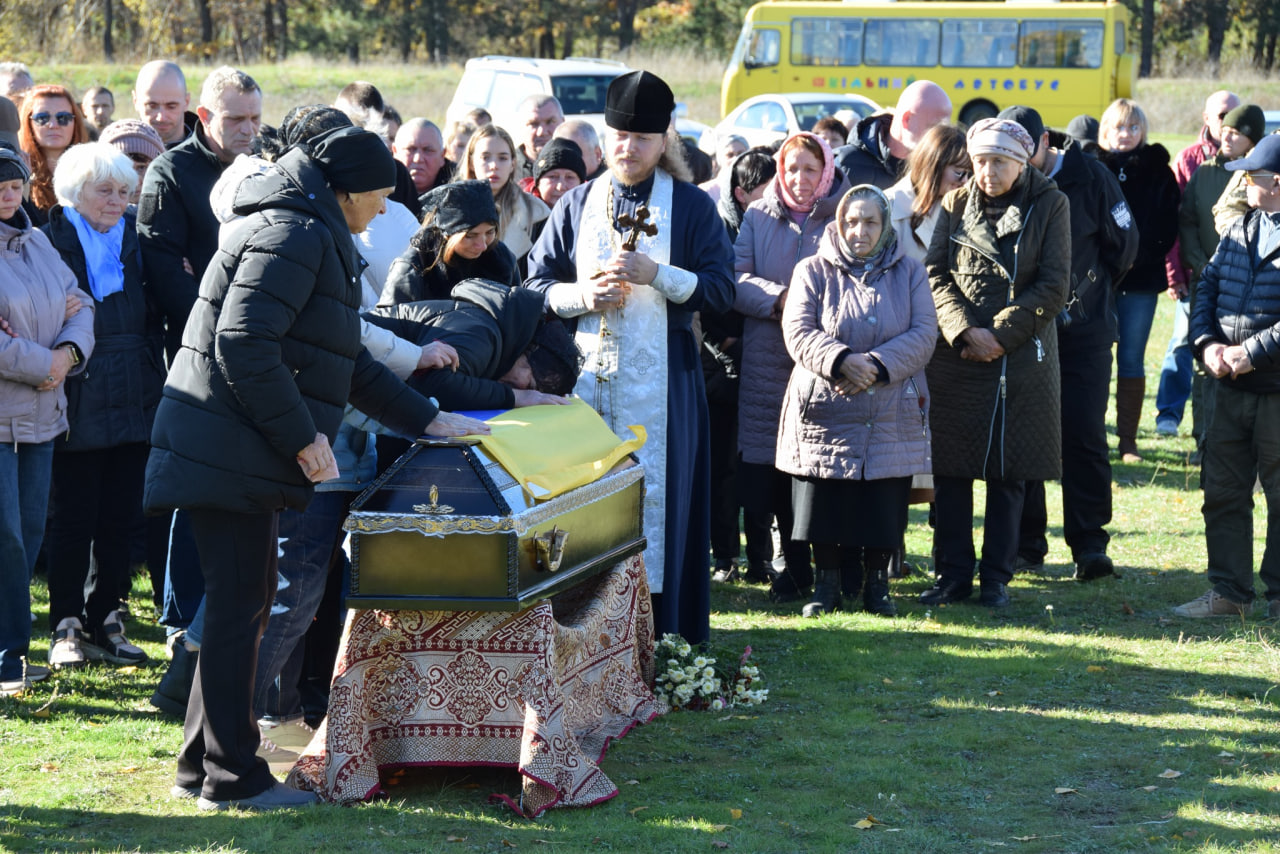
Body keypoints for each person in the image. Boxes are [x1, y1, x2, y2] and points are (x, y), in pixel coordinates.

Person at [144, 125, 489, 811]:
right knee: (243, 608)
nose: (386, 212)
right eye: (382, 198)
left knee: (242, 606)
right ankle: (232, 779)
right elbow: (243, 344)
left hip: (235, 444)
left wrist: (424, 418)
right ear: (347, 191)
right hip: (231, 446)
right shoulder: (294, 234)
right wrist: (305, 439)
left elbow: (343, 359)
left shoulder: (308, 228)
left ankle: (200, 769)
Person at [526, 70, 735, 645]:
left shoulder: (691, 207)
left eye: (642, 138)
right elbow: (534, 287)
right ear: (604, 138)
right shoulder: (576, 203)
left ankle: (662, 641)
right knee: (583, 516)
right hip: (583, 388)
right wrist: (581, 296)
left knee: (661, 516)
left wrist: (658, 275)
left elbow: (722, 292)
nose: (629, 148)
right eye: (620, 136)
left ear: (664, 139)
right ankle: (580, 645)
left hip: (667, 389)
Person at [138, 66, 262, 712]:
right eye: (235, 119)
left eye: (254, 119)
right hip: (189, 359)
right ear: (204, 119)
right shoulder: (170, 175)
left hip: (252, 361)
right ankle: (179, 621)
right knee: (193, 497)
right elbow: (165, 268)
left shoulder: (265, 170)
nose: (247, 131)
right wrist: (221, 312)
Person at [918, 118, 1070, 608]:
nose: (986, 172)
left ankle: (996, 578)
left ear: (1022, 162)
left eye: (998, 162)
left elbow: (1053, 284)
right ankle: (953, 574)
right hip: (959, 354)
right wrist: (964, 330)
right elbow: (935, 272)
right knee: (953, 471)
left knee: (1009, 470)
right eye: (979, 162)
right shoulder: (953, 203)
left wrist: (1001, 335)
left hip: (1020, 356)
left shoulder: (1051, 204)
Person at [777, 184, 935, 617]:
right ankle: (825, 586)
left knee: (882, 500)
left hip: (889, 404)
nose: (859, 231)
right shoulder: (812, 269)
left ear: (885, 226)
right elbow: (798, 329)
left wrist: (876, 366)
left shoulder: (910, 272)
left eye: (870, 222)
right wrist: (841, 360)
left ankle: (876, 587)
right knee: (824, 497)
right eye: (850, 221)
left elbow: (924, 334)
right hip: (825, 405)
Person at [1000, 106, 1139, 584]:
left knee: (1082, 434)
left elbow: (1125, 246)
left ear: (1044, 144)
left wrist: (1085, 293)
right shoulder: (1007, 181)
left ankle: (1090, 544)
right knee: (1026, 435)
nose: (1013, 159)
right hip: (1028, 332)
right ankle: (1026, 545)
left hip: (1085, 331)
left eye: (1023, 150)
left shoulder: (1092, 177)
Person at [42, 143, 164, 668]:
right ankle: (65, 623)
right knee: (72, 516)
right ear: (75, 192)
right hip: (76, 390)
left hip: (136, 387)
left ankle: (107, 617)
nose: (117, 201)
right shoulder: (48, 243)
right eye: (105, 191)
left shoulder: (139, 240)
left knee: (120, 515)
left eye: (123, 191)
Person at [734, 132, 850, 603]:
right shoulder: (760, 214)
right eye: (792, 169)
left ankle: (834, 567)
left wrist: (810, 310)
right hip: (768, 356)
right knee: (775, 471)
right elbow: (735, 276)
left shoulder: (843, 212)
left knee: (820, 465)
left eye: (810, 169)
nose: (800, 180)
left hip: (823, 355)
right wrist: (778, 299)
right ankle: (792, 565)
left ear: (826, 171)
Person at [0, 145, 95, 697]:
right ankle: (7, 657)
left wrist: (65, 358)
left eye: (14, 184)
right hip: (7, 414)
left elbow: (79, 303)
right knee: (6, 537)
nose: (8, 194)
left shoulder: (37, 240)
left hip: (41, 413)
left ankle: (14, 653)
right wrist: (46, 364)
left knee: (30, 533)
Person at [1179, 134, 1280, 621]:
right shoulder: (1241, 228)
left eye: (1251, 174)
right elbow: (1207, 289)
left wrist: (1252, 352)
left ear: (1274, 182)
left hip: (1275, 391)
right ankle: (1229, 594)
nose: (1242, 179)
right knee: (1222, 492)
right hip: (1227, 387)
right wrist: (1208, 345)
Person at [1170, 104, 1265, 454]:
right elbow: (1192, 221)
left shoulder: (1266, 163)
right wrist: (1206, 265)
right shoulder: (1206, 173)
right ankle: (1204, 437)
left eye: (1236, 132)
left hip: (1260, 286)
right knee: (1206, 356)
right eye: (1224, 129)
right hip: (1211, 278)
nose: (1227, 135)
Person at [1155, 90, 1243, 440]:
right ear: (1207, 119)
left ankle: (1215, 425)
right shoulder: (1189, 160)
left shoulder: (1255, 160)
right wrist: (1176, 274)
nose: (1229, 123)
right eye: (1222, 115)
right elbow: (1177, 222)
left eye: (1236, 115)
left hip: (1239, 280)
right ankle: (1168, 414)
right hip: (1196, 275)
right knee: (1181, 343)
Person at [706, 148, 777, 584]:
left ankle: (762, 557)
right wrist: (728, 337)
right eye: (766, 193)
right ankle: (725, 554)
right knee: (724, 467)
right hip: (723, 365)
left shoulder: (776, 229)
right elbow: (712, 290)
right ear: (741, 193)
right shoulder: (719, 229)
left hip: (764, 358)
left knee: (761, 465)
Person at [1097, 98, 1180, 463]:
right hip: (1095, 280)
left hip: (1141, 281)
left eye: (1133, 127)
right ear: (1106, 130)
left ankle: (1127, 442)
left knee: (1131, 359)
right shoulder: (1090, 167)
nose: (1126, 134)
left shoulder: (1158, 170)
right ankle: (1091, 437)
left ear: (1143, 131)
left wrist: (1137, 258)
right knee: (1095, 359)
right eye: (1119, 127)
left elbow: (1167, 224)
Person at [380, 179, 522, 305]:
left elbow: (518, 316)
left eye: (490, 232)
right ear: (447, 234)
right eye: (470, 236)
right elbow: (390, 324)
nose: (482, 245)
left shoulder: (501, 258)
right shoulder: (414, 267)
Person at [459, 123, 549, 269]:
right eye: (485, 157)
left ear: (513, 164)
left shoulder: (537, 213)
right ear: (471, 162)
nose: (494, 165)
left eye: (502, 158)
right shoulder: (450, 208)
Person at [833, 80, 951, 189]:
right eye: (932, 127)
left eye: (944, 129)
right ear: (907, 120)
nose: (939, 137)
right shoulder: (846, 163)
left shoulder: (943, 168)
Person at [886, 124, 970, 264]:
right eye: (958, 172)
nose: (964, 181)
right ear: (933, 166)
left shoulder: (959, 208)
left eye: (968, 173)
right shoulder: (886, 207)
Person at [18, 84, 90, 223]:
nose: (53, 125)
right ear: (29, 122)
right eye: (42, 118)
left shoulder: (93, 170)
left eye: (63, 117)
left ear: (75, 123)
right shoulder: (17, 171)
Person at [98, 120, 164, 205]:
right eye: (124, 170)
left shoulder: (179, 210)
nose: (136, 182)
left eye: (141, 168)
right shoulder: (86, 215)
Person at [132, 61, 196, 148]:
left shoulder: (213, 151)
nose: (161, 118)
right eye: (152, 106)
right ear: (135, 101)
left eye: (171, 107)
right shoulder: (118, 154)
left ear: (186, 102)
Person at [393, 117, 451, 197]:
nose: (418, 159)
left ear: (442, 155)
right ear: (395, 151)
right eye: (411, 149)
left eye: (428, 150)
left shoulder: (458, 195)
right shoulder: (379, 194)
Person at [512, 94, 564, 180]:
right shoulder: (507, 169)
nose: (542, 132)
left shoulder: (578, 165)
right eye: (533, 124)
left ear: (563, 123)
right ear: (520, 126)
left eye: (550, 122)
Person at [530, 137, 586, 209]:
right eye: (553, 177)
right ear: (538, 183)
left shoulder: (594, 213)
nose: (560, 187)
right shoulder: (521, 212)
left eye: (569, 177)